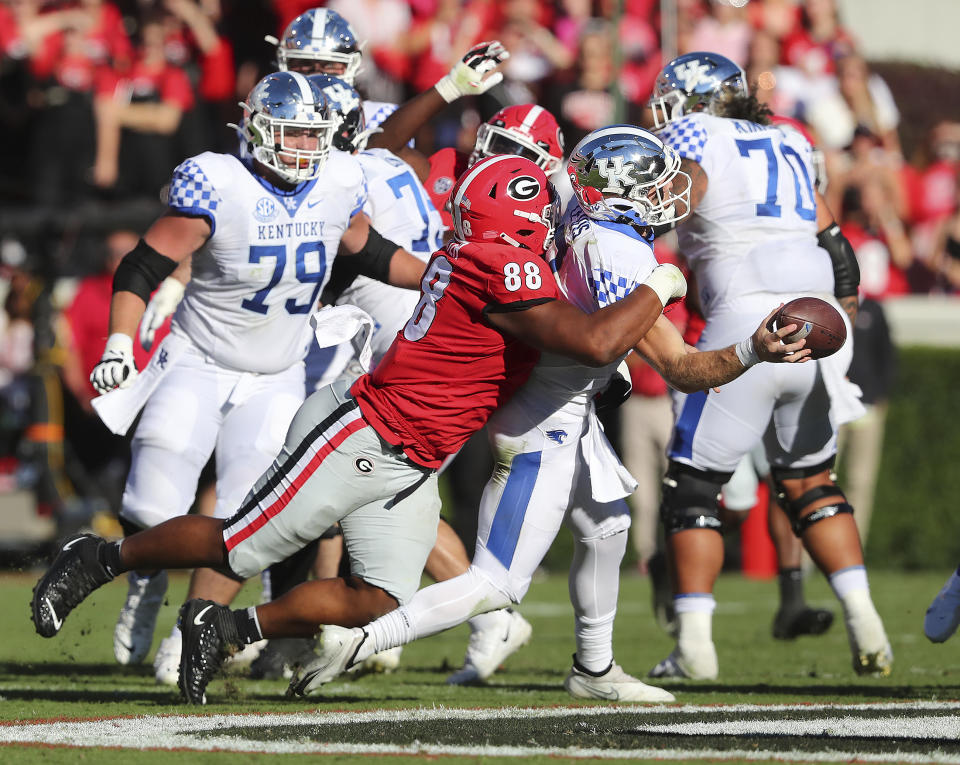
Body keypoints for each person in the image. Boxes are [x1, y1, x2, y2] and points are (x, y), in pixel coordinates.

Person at [32, 153, 711, 706]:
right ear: (516, 222)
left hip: (414, 454)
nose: (552, 222)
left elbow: (574, 330)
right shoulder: (498, 265)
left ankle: (229, 627)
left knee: (378, 598)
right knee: (239, 545)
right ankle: (97, 558)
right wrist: (662, 280)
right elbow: (594, 340)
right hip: (363, 432)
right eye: (540, 214)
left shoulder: (495, 257)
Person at [281, 126, 812, 701]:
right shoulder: (622, 252)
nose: (666, 195)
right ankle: (358, 643)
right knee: (497, 582)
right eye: (653, 185)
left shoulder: (564, 200)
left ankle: (594, 667)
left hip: (561, 403)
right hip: (547, 419)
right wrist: (753, 350)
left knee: (607, 528)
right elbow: (682, 367)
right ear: (616, 196)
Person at [90, 69, 425, 681]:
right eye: (291, 134)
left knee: (246, 523)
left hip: (277, 373)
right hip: (198, 358)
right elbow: (140, 267)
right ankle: (141, 585)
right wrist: (119, 342)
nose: (303, 147)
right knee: (152, 499)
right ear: (258, 129)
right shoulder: (220, 183)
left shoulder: (337, 182)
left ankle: (188, 634)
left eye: (311, 135)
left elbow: (371, 253)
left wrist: (438, 276)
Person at [645, 51, 891, 680]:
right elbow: (836, 243)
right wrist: (842, 331)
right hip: (814, 325)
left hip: (744, 321)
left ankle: (695, 645)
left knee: (693, 487)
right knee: (811, 482)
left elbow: (682, 196)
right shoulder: (786, 138)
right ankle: (866, 620)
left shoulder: (696, 131)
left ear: (695, 101)